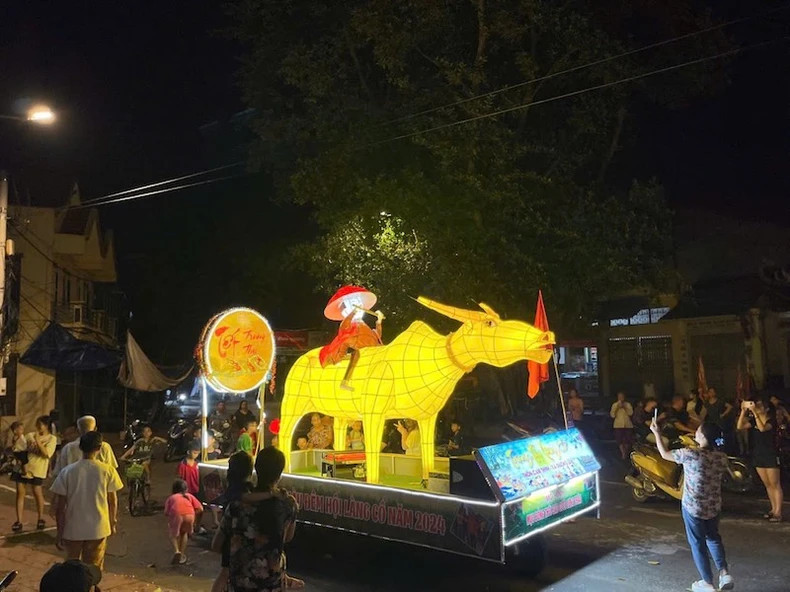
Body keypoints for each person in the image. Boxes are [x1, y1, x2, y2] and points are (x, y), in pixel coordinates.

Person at [649, 419, 734, 592]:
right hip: (713, 506)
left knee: (697, 543)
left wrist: (657, 433)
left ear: (702, 436)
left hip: (693, 507)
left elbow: (664, 454)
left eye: (698, 430)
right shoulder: (721, 457)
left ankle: (707, 582)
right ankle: (724, 573)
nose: (695, 432)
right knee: (713, 538)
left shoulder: (690, 454)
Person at [212, 447, 303, 592]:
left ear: (257, 469)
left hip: (240, 582)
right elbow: (287, 538)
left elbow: (217, 544)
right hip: (271, 582)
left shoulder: (237, 504)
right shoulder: (288, 504)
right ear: (279, 474)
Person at [50, 431, 123, 574]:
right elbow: (112, 501)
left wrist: (60, 532)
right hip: (98, 528)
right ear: (99, 448)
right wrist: (112, 522)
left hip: (73, 528)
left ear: (80, 447)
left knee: (71, 569)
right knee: (93, 570)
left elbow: (60, 507)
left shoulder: (68, 472)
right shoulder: (107, 470)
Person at [318, 285, 385, 390]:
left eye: (359, 303)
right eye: (352, 304)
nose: (359, 307)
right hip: (355, 353)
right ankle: (345, 381)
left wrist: (379, 320)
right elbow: (344, 329)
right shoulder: (348, 326)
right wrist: (353, 312)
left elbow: (376, 336)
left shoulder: (363, 325)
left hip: (371, 351)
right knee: (356, 354)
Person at [209, 451, 254, 592]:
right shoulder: (242, 490)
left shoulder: (232, 487)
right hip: (236, 536)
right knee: (227, 572)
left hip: (230, 534)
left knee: (226, 572)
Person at [738, 398, 783, 522]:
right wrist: (743, 411)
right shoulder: (753, 420)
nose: (757, 407)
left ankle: (778, 512)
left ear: (766, 409)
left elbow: (763, 428)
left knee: (775, 484)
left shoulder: (771, 421)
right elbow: (740, 426)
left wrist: (755, 413)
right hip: (758, 454)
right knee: (767, 484)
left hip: (771, 454)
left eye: (759, 406)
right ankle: (773, 509)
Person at [11, 415, 57, 532]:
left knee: (37, 492)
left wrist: (37, 441)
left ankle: (40, 518)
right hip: (22, 468)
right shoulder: (29, 435)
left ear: (46, 426)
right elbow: (20, 447)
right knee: (20, 493)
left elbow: (47, 454)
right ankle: (19, 520)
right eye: (37, 424)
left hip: (38, 469)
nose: (37, 427)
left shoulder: (52, 439)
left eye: (40, 424)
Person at [53, 415, 118, 478]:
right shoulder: (104, 447)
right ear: (95, 429)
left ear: (77, 431)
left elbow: (59, 474)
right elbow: (111, 472)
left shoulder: (68, 448)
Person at [164, 478, 203, 564]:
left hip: (177, 514)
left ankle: (176, 550)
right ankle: (181, 555)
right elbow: (200, 509)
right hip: (190, 514)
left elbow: (166, 512)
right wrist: (196, 522)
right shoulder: (190, 496)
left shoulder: (172, 498)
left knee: (173, 534)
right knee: (184, 533)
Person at [609, 392, 634, 460]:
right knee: (619, 440)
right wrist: (617, 408)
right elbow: (612, 415)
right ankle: (623, 453)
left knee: (627, 440)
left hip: (628, 425)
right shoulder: (614, 405)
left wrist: (625, 407)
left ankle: (625, 452)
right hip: (618, 425)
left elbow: (631, 413)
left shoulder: (628, 404)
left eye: (622, 396)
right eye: (619, 397)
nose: (621, 398)